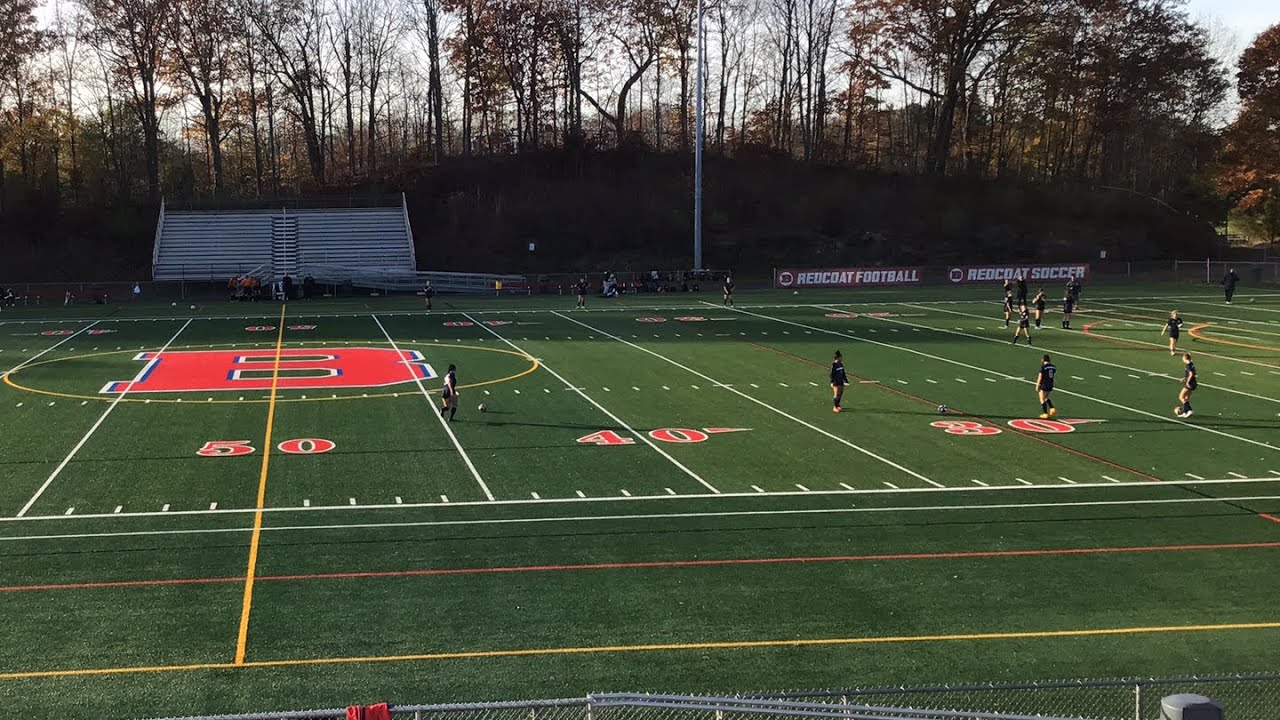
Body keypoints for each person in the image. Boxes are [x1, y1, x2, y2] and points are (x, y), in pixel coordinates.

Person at [1175, 353, 1197, 418]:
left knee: (1181, 397)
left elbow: (1191, 374)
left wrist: (1187, 382)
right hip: (1193, 383)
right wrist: (1184, 378)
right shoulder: (1191, 364)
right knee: (1186, 398)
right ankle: (1185, 412)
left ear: (1185, 358)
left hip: (1190, 383)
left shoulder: (1188, 365)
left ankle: (1189, 410)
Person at [1036, 354, 1057, 419]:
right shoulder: (1053, 367)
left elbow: (1040, 376)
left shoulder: (1043, 367)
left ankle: (1045, 413)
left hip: (1044, 384)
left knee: (1042, 399)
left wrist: (1037, 385)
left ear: (1043, 359)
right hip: (1050, 383)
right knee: (1046, 397)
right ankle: (1052, 408)